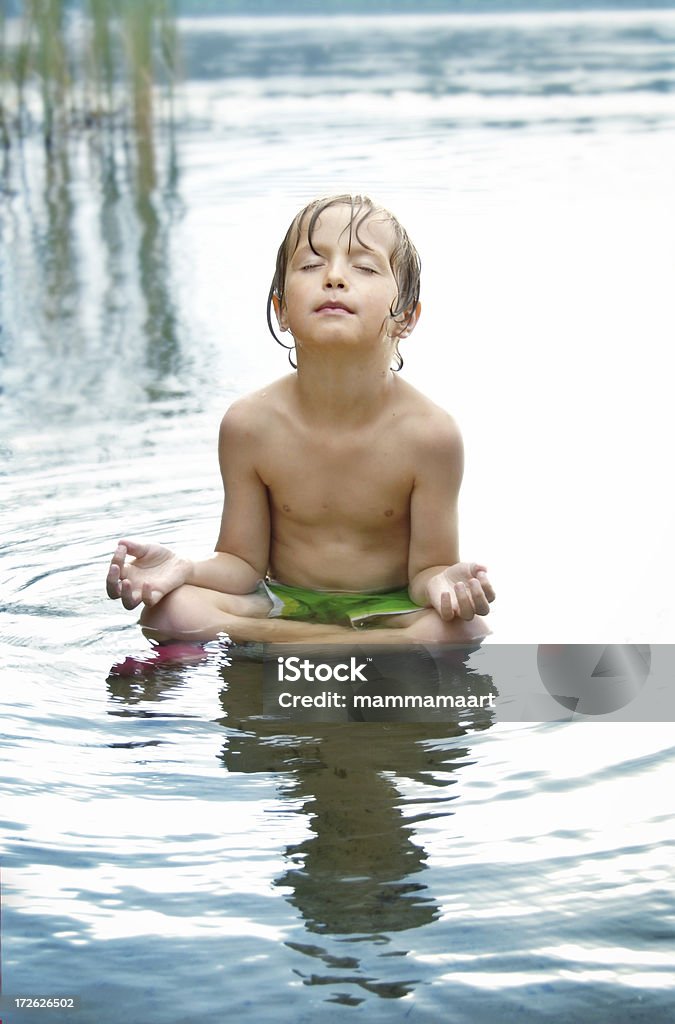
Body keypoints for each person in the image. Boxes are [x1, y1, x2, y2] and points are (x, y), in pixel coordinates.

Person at [106, 194, 495, 647]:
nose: (334, 277)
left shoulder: (431, 436)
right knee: (170, 609)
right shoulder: (250, 425)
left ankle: (282, 647)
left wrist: (447, 585)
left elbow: (426, 572)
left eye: (365, 268)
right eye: (311, 265)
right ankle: (339, 650)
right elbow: (241, 563)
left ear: (405, 317)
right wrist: (184, 569)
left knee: (460, 629)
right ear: (281, 309)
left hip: (384, 613)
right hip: (284, 603)